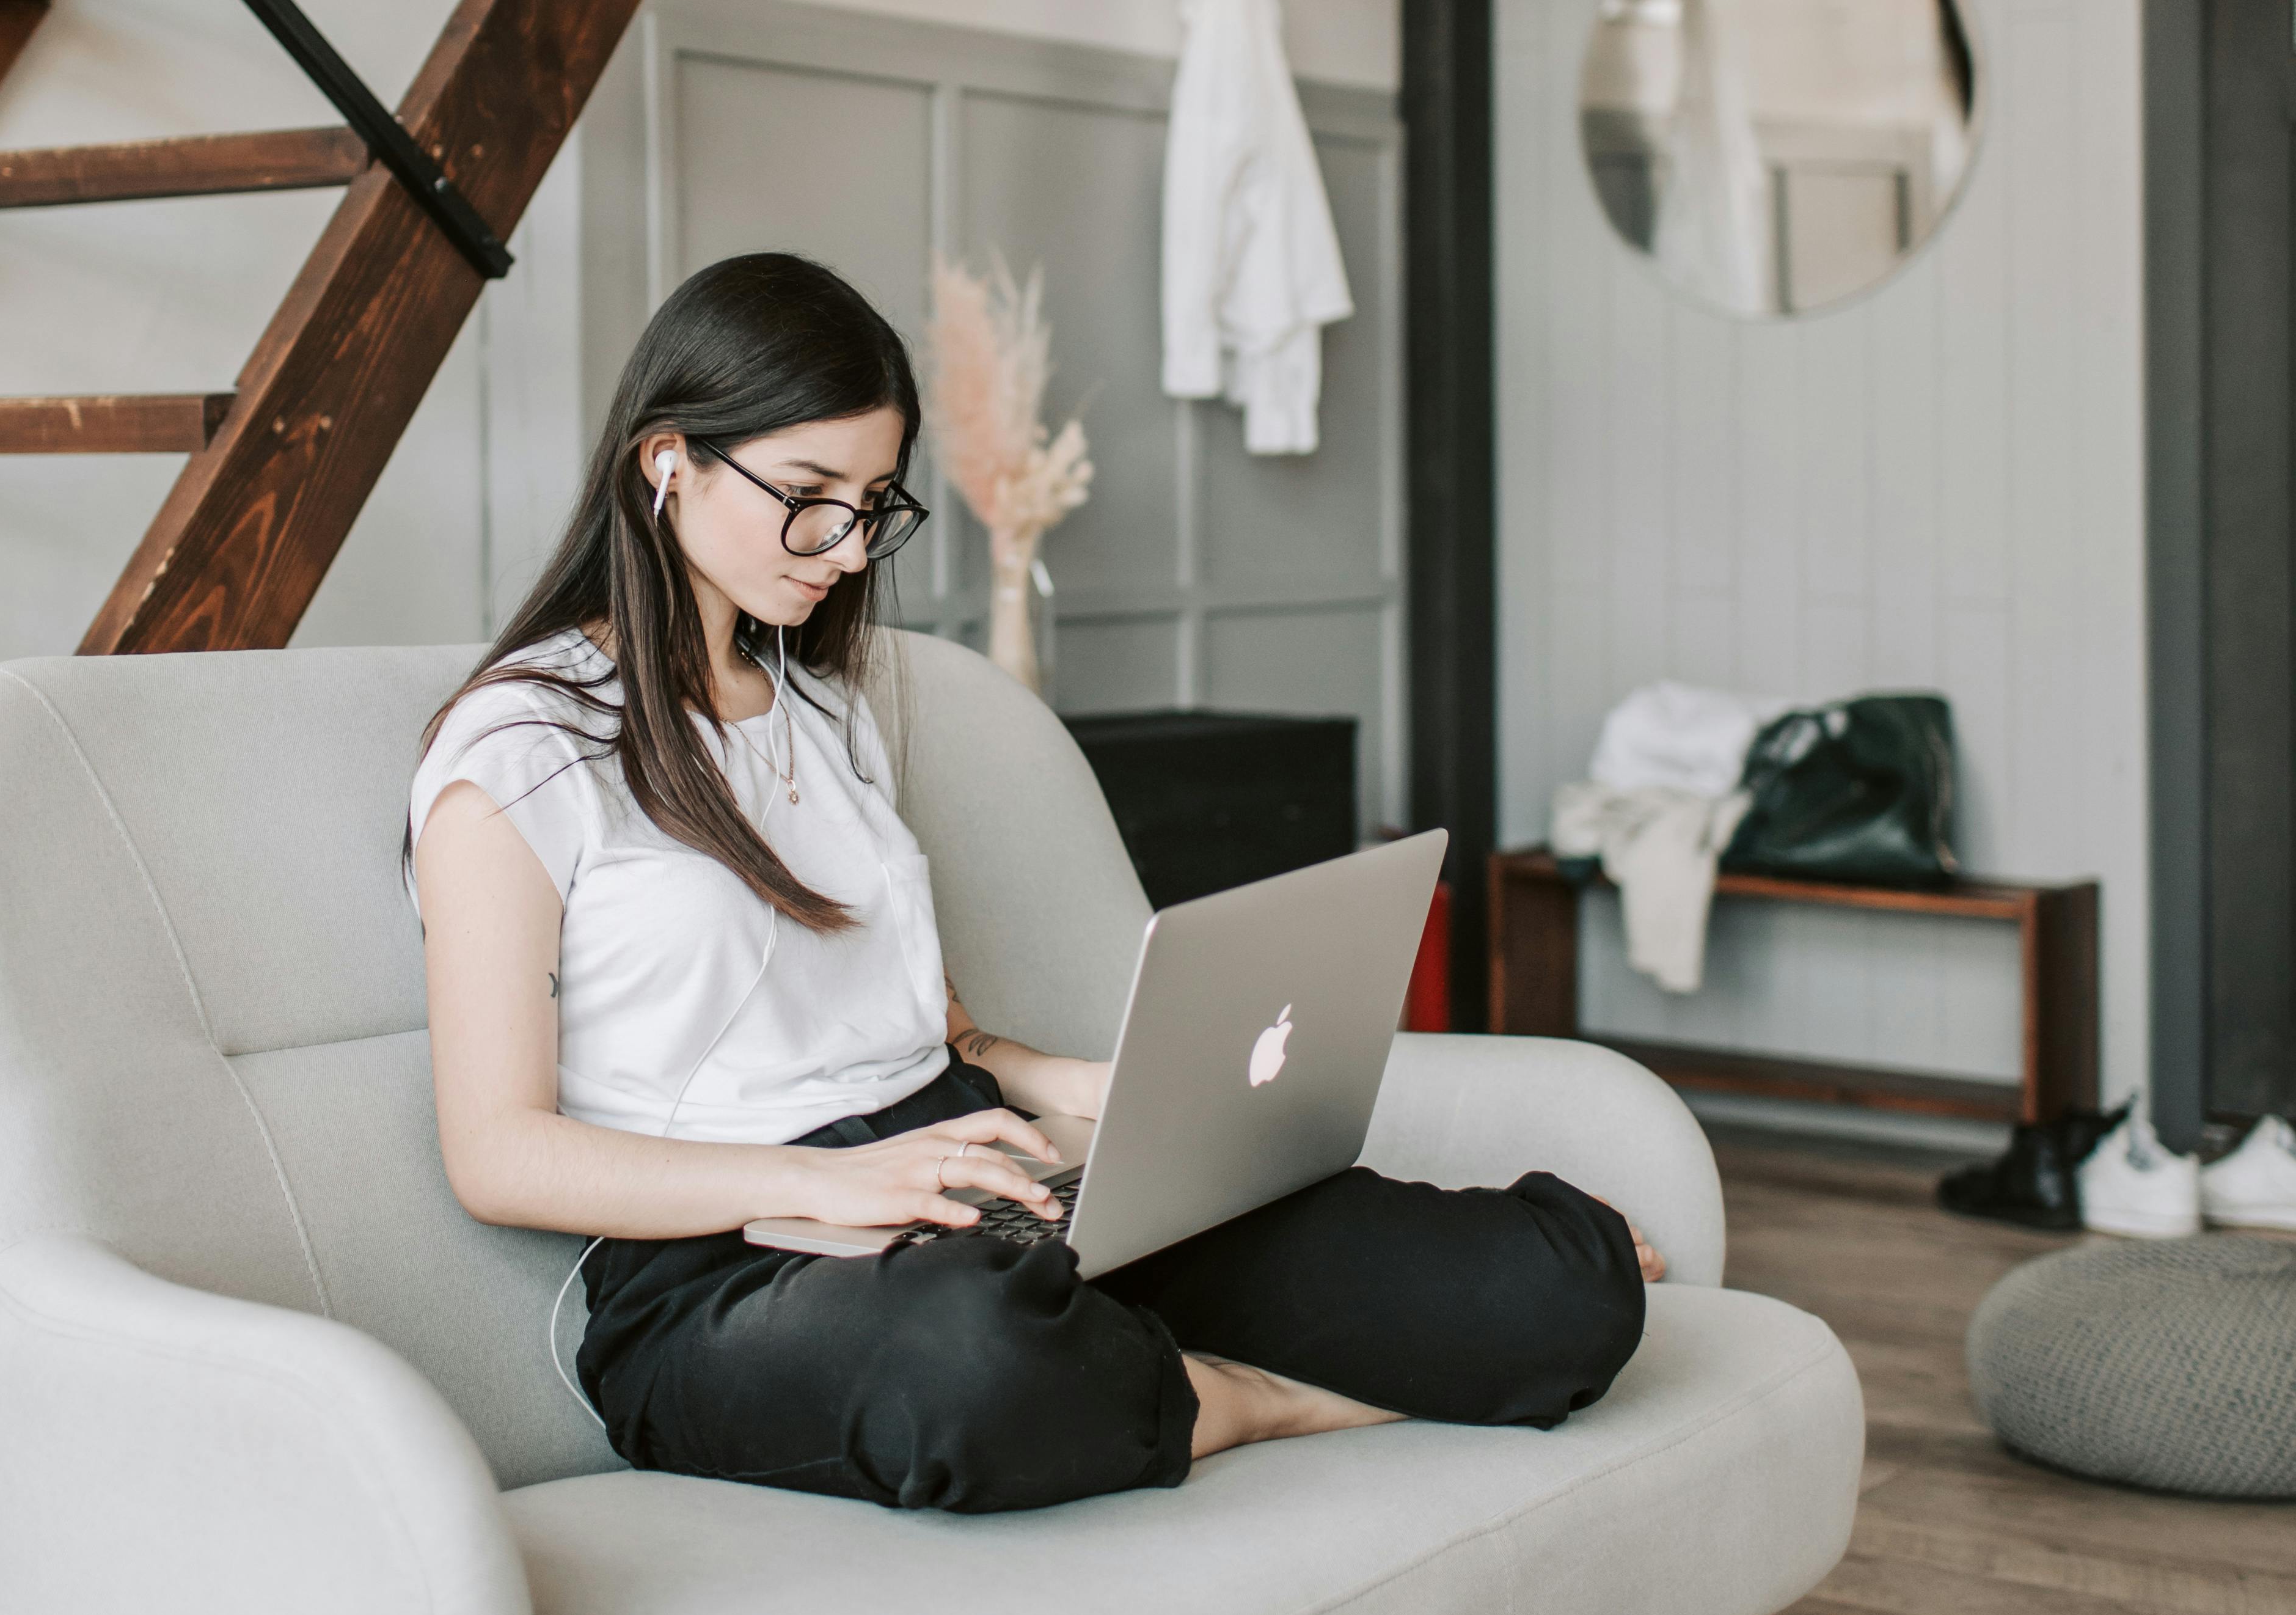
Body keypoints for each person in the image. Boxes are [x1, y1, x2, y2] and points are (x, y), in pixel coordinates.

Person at [412, 251, 1656, 1515]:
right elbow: (498, 1152)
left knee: (1552, 1287)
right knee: (979, 1358)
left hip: (970, 1178)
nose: (843, 549)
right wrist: (828, 1183)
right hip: (727, 1273)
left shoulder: (822, 710)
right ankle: (1261, 1399)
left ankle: (1168, 1363)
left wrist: (1082, 1091)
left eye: (872, 503)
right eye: (806, 496)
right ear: (664, 459)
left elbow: (934, 1030)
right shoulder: (519, 755)